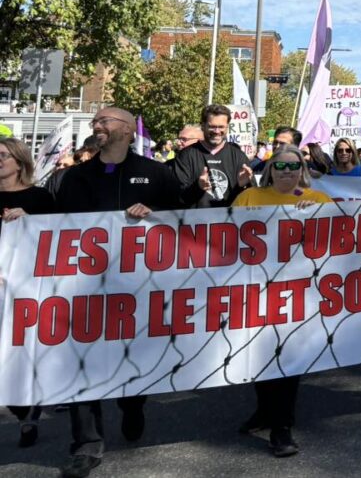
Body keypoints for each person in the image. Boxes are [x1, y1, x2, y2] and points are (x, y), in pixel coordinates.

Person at [53, 107, 189, 478]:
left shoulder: (157, 174)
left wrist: (155, 213)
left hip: (136, 289)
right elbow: (50, 225)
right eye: (95, 121)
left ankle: (133, 403)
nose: (97, 125)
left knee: (131, 359)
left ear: (128, 131)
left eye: (106, 121)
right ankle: (87, 444)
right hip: (82, 289)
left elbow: (185, 219)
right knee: (79, 363)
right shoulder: (73, 177)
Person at [231, 143, 330, 457]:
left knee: (288, 360)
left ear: (302, 171)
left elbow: (339, 237)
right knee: (258, 356)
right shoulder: (250, 197)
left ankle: (281, 428)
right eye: (280, 166)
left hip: (299, 293)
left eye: (293, 166)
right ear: (270, 170)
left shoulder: (317, 199)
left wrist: (316, 216)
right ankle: (265, 411)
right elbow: (223, 232)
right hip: (255, 290)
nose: (287, 172)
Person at [0, 138, 54, 447]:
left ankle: (27, 411)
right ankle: (23, 409)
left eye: (3, 156)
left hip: (26, 286)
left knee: (17, 352)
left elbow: (59, 238)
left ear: (20, 162)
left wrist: (30, 222)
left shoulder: (40, 197)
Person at [172, 104, 254, 207]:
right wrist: (198, 187)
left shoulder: (239, 156)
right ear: (203, 125)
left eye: (221, 127)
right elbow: (177, 198)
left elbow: (250, 199)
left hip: (229, 221)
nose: (217, 131)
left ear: (227, 127)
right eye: (212, 127)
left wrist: (242, 185)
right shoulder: (186, 156)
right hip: (196, 221)